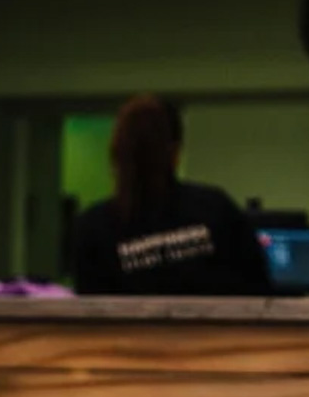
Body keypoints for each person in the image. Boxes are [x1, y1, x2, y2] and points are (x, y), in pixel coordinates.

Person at [71, 94, 272, 296]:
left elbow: (91, 314)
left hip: (128, 330)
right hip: (210, 328)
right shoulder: (214, 209)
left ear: (116, 154)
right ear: (175, 152)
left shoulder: (93, 227)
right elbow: (259, 295)